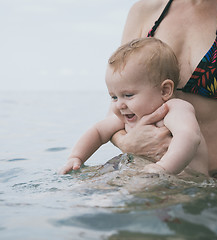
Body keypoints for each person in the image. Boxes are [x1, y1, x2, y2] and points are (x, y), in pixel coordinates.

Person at [110, 0, 217, 181]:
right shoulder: (144, 10)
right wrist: (125, 143)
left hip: (216, 181)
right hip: (142, 175)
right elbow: (117, 109)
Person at [59, 37, 208, 176]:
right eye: (114, 97)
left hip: (187, 182)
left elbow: (188, 136)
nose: (119, 104)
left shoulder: (175, 109)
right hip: (149, 179)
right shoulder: (127, 118)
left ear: (164, 90)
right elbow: (98, 131)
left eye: (128, 95)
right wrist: (76, 157)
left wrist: (163, 167)